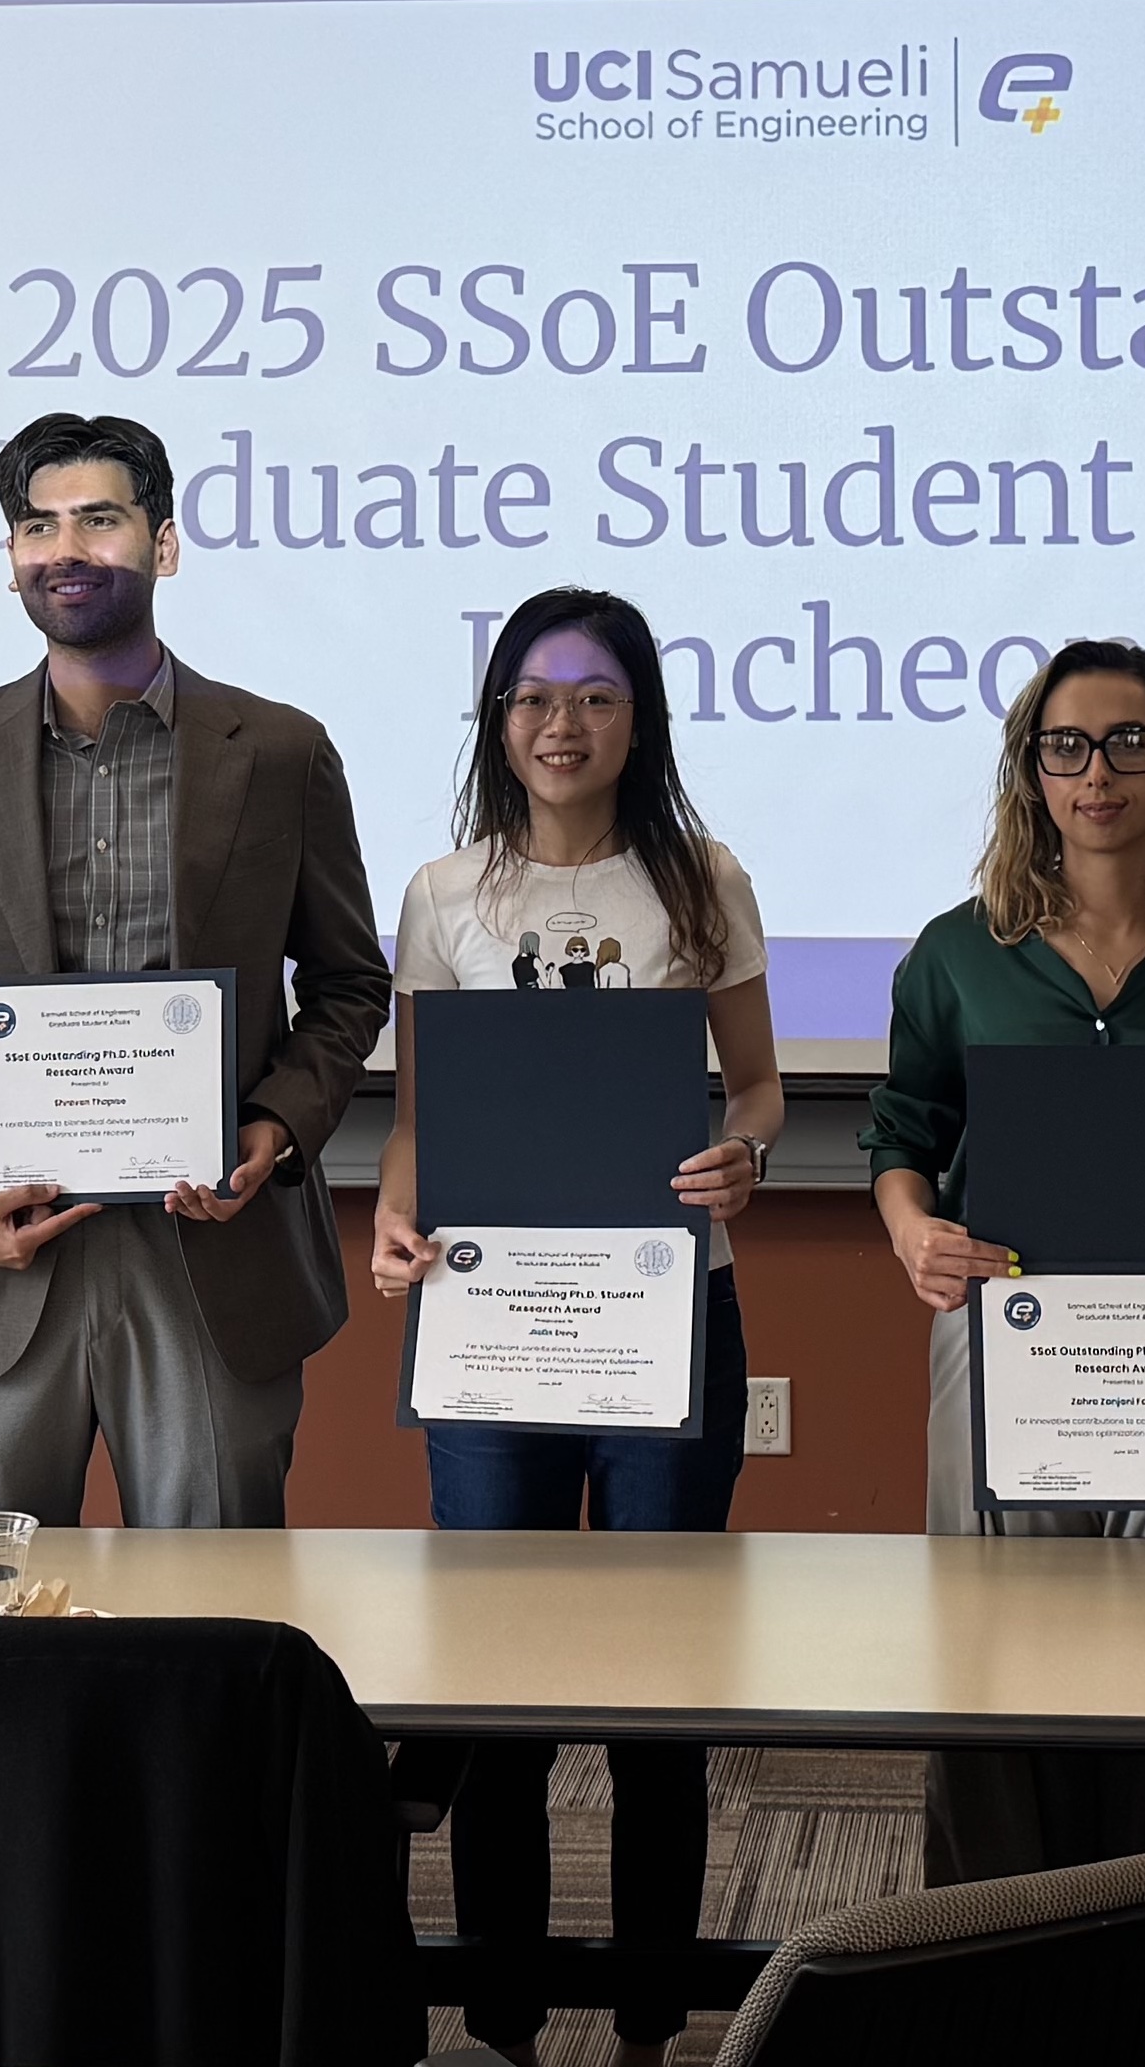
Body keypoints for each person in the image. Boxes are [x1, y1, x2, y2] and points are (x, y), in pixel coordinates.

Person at [0, 412, 396, 1526]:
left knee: (209, 1619)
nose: (65, 548)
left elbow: (346, 986)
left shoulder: (278, 751)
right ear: (11, 563)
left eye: (99, 517)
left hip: (208, 1258)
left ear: (164, 542)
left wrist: (272, 1131)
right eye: (36, 526)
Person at [366, 587, 782, 2065]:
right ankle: (504, 2009)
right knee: (497, 1690)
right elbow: (421, 1120)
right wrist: (393, 1219)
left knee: (659, 1683)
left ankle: (663, 2011)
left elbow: (759, 1089)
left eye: (597, 696)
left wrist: (745, 1154)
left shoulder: (701, 878)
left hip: (671, 1312)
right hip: (491, 1329)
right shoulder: (443, 892)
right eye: (536, 697)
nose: (564, 724)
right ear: (499, 718)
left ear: (638, 716)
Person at [863, 636, 1145, 1884]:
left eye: (1129, 742)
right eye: (1065, 746)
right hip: (1005, 1334)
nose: (1096, 772)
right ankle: (993, 1957)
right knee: (994, 1641)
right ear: (1032, 773)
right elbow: (903, 1134)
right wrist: (913, 1232)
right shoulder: (958, 956)